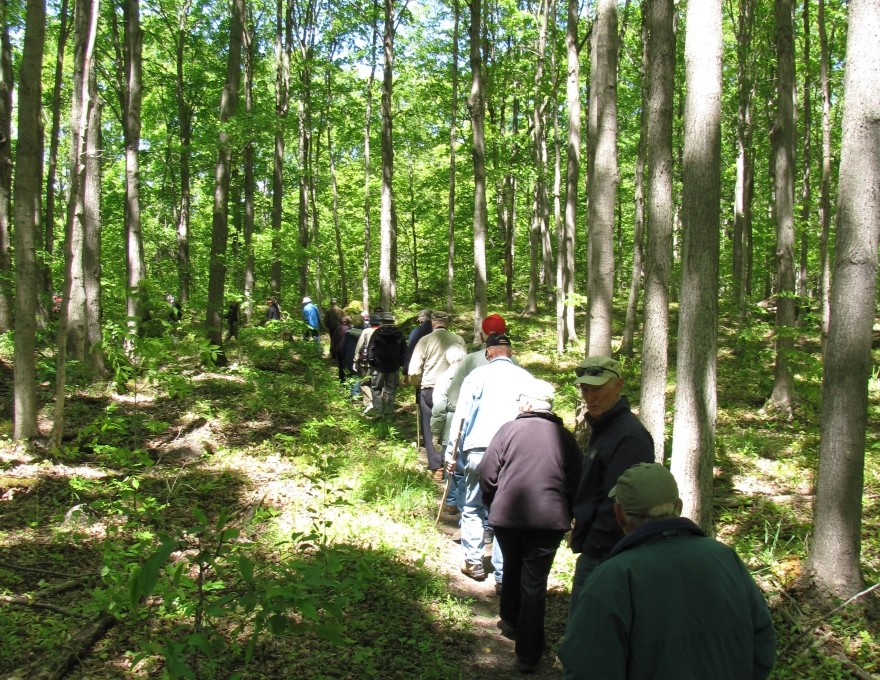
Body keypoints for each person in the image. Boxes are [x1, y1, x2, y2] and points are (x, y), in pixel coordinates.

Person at [558, 462, 776, 680]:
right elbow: (763, 642)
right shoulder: (726, 558)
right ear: (678, 507)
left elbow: (587, 668)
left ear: (619, 515)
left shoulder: (612, 577)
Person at [479, 379, 582, 674]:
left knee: (513, 565)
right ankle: (528, 649)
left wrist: (493, 500)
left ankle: (516, 627)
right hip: (549, 521)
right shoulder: (564, 436)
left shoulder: (508, 430)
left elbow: (487, 470)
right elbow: (576, 479)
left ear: (526, 404)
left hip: (508, 517)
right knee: (533, 581)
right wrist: (570, 510)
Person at [445, 333, 534, 585]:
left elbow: (461, 418)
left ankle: (473, 562)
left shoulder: (477, 376)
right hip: (514, 453)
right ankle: (503, 574)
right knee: (504, 511)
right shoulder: (526, 378)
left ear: (488, 352)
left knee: (473, 506)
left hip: (479, 452)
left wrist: (452, 454)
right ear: (511, 352)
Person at [568, 356, 654, 610]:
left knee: (588, 628)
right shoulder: (606, 428)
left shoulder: (628, 436)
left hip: (607, 552)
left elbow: (622, 501)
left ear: (618, 386)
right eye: (585, 389)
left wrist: (596, 548)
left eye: (597, 389)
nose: (590, 397)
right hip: (597, 549)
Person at [434, 313, 510, 511]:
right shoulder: (515, 364)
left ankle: (464, 520)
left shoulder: (470, 360)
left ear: (483, 335)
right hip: (506, 434)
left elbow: (454, 397)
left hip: (472, 432)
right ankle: (490, 525)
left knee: (465, 477)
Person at [408, 311, 466, 479]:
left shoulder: (424, 340)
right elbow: (464, 363)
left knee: (429, 425)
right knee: (452, 424)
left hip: (429, 386)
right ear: (447, 323)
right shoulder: (458, 340)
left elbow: (414, 369)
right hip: (454, 387)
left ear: (433, 323)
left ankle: (437, 467)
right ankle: (451, 461)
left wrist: (416, 382)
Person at [429, 343, 467, 513]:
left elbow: (438, 407)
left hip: (451, 422)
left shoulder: (445, 377)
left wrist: (435, 432)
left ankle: (451, 502)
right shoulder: (471, 373)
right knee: (465, 464)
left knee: (450, 461)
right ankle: (463, 502)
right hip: (470, 422)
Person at [365, 311, 407, 415]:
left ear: (382, 321)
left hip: (379, 366)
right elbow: (404, 351)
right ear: (392, 321)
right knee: (391, 388)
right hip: (393, 366)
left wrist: (371, 362)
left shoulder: (377, 332)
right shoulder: (399, 333)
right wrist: (402, 364)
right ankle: (388, 411)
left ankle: (378, 411)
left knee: (376, 388)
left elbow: (371, 348)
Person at [354, 313, 382, 414]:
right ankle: (379, 403)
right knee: (378, 384)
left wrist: (355, 359)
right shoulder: (382, 331)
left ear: (370, 323)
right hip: (379, 362)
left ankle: (369, 402)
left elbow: (359, 346)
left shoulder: (366, 331)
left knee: (365, 382)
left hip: (365, 362)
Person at [331, 315, 353, 382]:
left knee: (340, 365)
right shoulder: (351, 328)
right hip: (347, 349)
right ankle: (348, 379)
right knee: (348, 364)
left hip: (339, 349)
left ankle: (341, 379)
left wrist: (333, 349)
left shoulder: (339, 328)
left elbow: (334, 339)